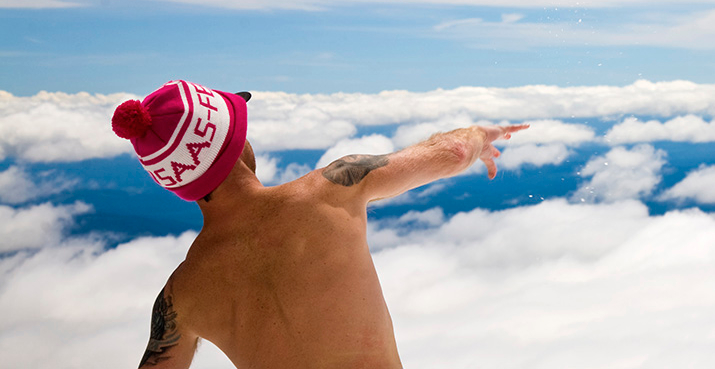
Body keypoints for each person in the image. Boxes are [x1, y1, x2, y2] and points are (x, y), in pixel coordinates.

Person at [110, 79, 527, 368]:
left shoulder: (179, 297)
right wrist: (477, 135)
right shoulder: (334, 188)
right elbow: (453, 152)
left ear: (177, 183)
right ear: (236, 143)